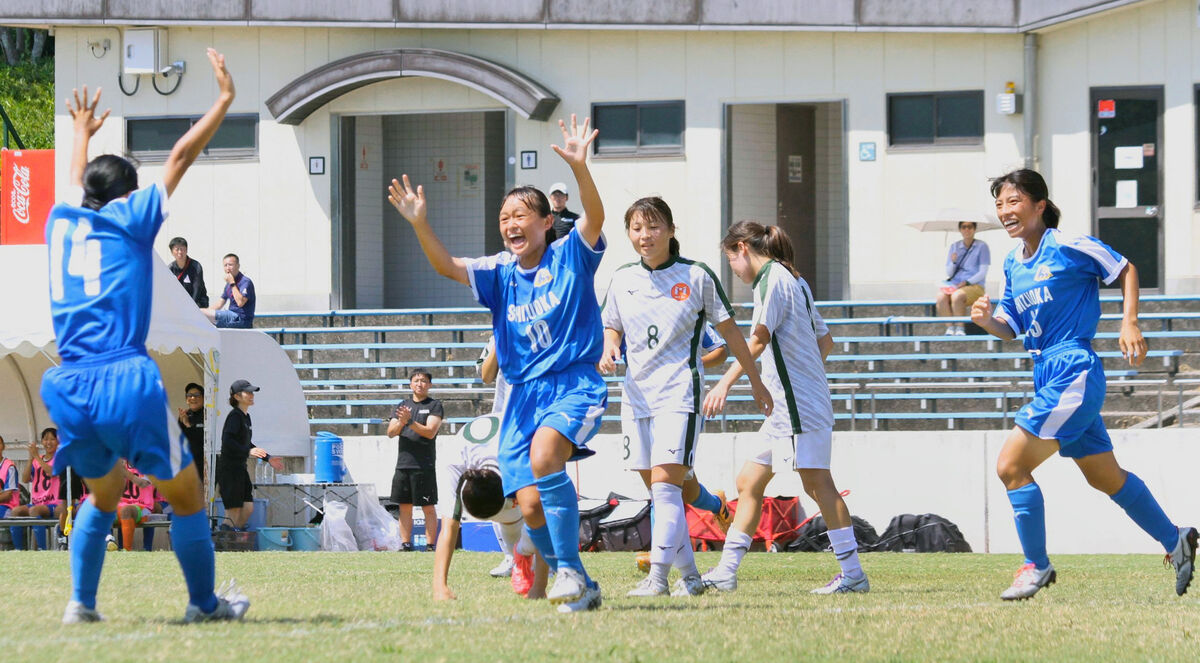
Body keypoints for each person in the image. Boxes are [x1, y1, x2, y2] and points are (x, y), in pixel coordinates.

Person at [40, 49, 249, 624]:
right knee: (184, 497)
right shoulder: (130, 221)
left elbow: (74, 185)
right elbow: (181, 154)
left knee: (102, 494)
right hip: (122, 377)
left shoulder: (61, 223)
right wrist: (223, 102)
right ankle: (204, 605)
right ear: (129, 197)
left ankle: (80, 605)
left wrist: (80, 134)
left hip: (67, 384)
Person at [387, 114, 607, 613]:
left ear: (547, 221)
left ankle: (568, 572)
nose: (511, 222)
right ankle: (584, 583)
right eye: (504, 216)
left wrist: (580, 170)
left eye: (521, 214)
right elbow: (446, 266)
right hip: (518, 398)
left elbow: (594, 217)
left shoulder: (571, 255)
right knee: (528, 504)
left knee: (548, 456)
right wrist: (421, 224)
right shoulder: (499, 271)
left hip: (571, 384)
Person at [971, 168, 1196, 600]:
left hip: (1074, 368)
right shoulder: (1013, 263)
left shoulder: (1068, 244)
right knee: (1105, 478)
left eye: (1014, 201)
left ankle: (1036, 566)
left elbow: (1125, 268)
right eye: (999, 204)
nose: (1005, 211)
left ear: (1039, 204)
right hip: (1046, 373)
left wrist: (1129, 322)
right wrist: (986, 321)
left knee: (1011, 467)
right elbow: (1010, 327)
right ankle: (1176, 540)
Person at [598, 196, 772, 598]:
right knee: (659, 488)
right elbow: (612, 328)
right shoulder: (623, 278)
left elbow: (730, 335)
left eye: (654, 227)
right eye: (637, 228)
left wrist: (754, 382)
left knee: (665, 487)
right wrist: (609, 348)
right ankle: (691, 577)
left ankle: (658, 579)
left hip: (678, 394)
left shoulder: (697, 276)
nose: (645, 236)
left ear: (671, 231)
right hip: (635, 397)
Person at [702, 220, 870, 595]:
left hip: (797, 407)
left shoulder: (773, 281)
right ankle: (727, 571)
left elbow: (757, 341)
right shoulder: (795, 279)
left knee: (818, 484)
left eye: (731, 259)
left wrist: (724, 384)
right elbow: (824, 341)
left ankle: (854, 574)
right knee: (749, 482)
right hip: (788, 405)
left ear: (742, 248)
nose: (733, 269)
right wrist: (799, 372)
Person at [431, 415, 548, 601]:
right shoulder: (453, 463)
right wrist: (439, 586)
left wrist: (539, 587)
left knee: (540, 511)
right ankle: (515, 557)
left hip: (526, 433)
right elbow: (448, 527)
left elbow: (544, 516)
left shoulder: (520, 454)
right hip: (507, 441)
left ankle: (523, 555)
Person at [387, 369, 444, 551]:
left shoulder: (435, 405)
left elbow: (430, 431)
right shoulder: (403, 406)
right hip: (403, 464)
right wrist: (402, 421)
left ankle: (430, 545)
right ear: (410, 384)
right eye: (416, 380)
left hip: (424, 464)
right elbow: (390, 432)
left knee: (428, 506)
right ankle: (405, 544)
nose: (420, 384)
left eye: (424, 381)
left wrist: (410, 422)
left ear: (430, 384)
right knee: (404, 506)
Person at [476, 336, 517, 576]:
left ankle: (546, 557)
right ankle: (510, 557)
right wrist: (500, 340)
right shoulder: (497, 335)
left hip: (537, 415)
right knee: (497, 486)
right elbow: (486, 375)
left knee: (540, 487)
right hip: (503, 420)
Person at [217, 379, 281, 530]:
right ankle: (226, 541)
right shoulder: (234, 416)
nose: (252, 395)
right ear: (237, 396)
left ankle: (235, 537)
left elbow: (247, 443)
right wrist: (247, 451)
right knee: (233, 510)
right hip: (229, 469)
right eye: (248, 392)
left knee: (248, 508)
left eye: (252, 392)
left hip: (240, 468)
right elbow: (227, 441)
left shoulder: (246, 417)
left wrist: (268, 457)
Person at [8, 428, 61, 550]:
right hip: (37, 503)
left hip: (53, 503)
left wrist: (36, 457)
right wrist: (31, 459)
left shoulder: (60, 458)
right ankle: (19, 550)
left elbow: (52, 472)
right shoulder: (37, 460)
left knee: (34, 511)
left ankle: (42, 549)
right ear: (42, 441)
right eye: (46, 439)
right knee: (15, 511)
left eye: (52, 439)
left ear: (58, 442)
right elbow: (25, 479)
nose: (49, 442)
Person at [937, 221, 991, 335]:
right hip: (956, 285)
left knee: (957, 296)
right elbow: (949, 272)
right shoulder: (954, 247)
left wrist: (967, 282)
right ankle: (950, 328)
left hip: (975, 286)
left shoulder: (982, 246)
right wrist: (953, 261)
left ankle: (960, 328)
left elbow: (983, 272)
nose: (967, 230)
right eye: (964, 227)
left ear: (974, 229)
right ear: (960, 229)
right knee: (940, 297)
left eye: (970, 227)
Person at [115, 462, 162, 552]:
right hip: (123, 503)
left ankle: (127, 550)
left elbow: (142, 483)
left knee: (126, 511)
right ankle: (109, 546)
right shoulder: (122, 462)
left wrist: (128, 474)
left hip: (144, 506)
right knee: (103, 511)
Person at [202, 253, 254, 329]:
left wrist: (232, 283)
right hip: (231, 317)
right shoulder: (229, 284)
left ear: (238, 266)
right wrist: (207, 311)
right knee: (200, 314)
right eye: (225, 265)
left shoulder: (245, 282)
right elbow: (220, 304)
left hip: (241, 319)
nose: (227, 268)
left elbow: (240, 303)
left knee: (202, 313)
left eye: (230, 265)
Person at [178, 383, 206, 485]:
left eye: (197, 395)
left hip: (204, 465)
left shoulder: (207, 414)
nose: (193, 398)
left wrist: (188, 425)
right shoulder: (186, 415)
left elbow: (201, 440)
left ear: (203, 398)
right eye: (189, 395)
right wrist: (182, 423)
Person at [168, 236, 209, 308]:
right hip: (180, 304)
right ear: (172, 252)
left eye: (182, 249)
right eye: (177, 249)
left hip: (197, 302)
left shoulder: (196, 266)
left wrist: (190, 307)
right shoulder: (170, 268)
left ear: (186, 250)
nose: (180, 252)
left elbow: (197, 288)